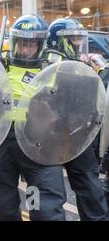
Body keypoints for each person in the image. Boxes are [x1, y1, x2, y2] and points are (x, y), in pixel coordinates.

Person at [0, 14, 67, 221]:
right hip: (5, 141)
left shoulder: (52, 68)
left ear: (40, 45)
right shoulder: (0, 65)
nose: (27, 49)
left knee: (42, 206)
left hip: (40, 144)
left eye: (32, 44)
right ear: (14, 43)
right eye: (23, 43)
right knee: (3, 204)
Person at [46, 18, 109, 221]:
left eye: (78, 39)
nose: (77, 44)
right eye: (72, 39)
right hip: (50, 138)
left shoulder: (84, 67)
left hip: (77, 136)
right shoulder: (46, 67)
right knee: (49, 196)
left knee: (91, 191)